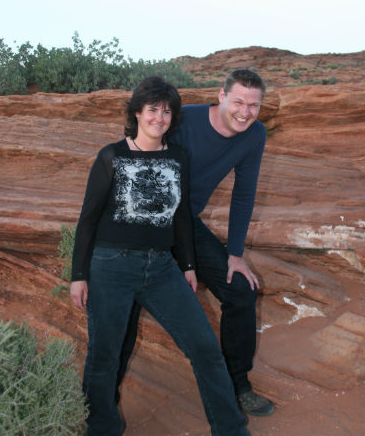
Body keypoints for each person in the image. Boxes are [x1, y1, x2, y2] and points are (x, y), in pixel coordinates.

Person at [70, 76, 250, 436]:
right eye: (152, 110)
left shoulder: (177, 158)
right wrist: (79, 275)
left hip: (161, 268)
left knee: (204, 347)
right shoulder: (111, 156)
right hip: (111, 266)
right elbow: (88, 219)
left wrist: (188, 266)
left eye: (167, 112)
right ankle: (100, 428)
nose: (159, 118)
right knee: (104, 356)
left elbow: (181, 217)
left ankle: (231, 429)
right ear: (137, 112)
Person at [117, 68, 274, 417]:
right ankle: (103, 405)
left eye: (253, 105)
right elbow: (136, 153)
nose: (245, 112)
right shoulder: (182, 120)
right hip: (147, 223)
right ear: (221, 96)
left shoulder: (254, 135)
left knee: (240, 290)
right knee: (127, 303)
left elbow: (244, 194)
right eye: (238, 102)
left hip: (187, 223)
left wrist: (235, 254)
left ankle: (237, 384)